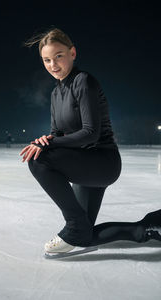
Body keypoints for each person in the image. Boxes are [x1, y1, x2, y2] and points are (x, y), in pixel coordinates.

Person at [19, 27, 161, 254]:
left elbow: (90, 133)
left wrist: (50, 146)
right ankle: (147, 228)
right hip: (83, 162)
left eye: (59, 56)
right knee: (84, 236)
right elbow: (57, 132)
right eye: (46, 60)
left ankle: (74, 224)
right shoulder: (56, 93)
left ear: (72, 53)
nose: (53, 65)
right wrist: (46, 139)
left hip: (102, 162)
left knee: (38, 160)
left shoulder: (83, 81)